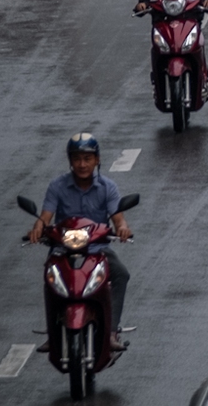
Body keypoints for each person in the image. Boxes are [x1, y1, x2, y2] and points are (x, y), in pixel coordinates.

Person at [26, 134, 132, 352]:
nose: (82, 164)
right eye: (77, 159)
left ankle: (111, 331)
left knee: (121, 273)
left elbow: (118, 218)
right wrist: (37, 229)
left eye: (87, 158)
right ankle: (54, 332)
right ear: (70, 161)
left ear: (97, 160)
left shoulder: (108, 187)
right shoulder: (57, 186)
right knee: (50, 277)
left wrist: (122, 228)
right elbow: (45, 217)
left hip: (97, 249)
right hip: (62, 249)